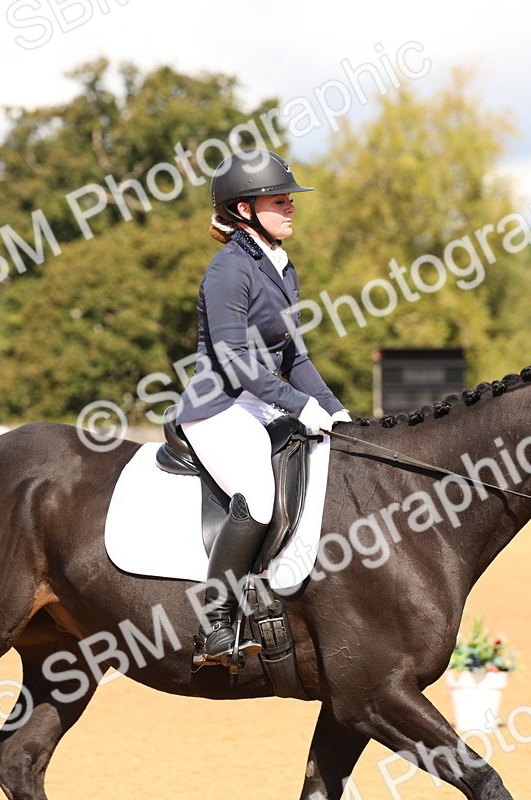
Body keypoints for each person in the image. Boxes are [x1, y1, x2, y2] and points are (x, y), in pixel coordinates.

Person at [175, 148, 350, 667]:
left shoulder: (281, 266)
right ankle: (216, 623)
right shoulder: (228, 268)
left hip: (259, 403)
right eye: (280, 199)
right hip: (218, 406)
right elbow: (232, 358)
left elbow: (294, 355)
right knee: (257, 493)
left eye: (290, 198)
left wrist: (333, 412)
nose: (291, 206)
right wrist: (296, 405)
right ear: (245, 209)